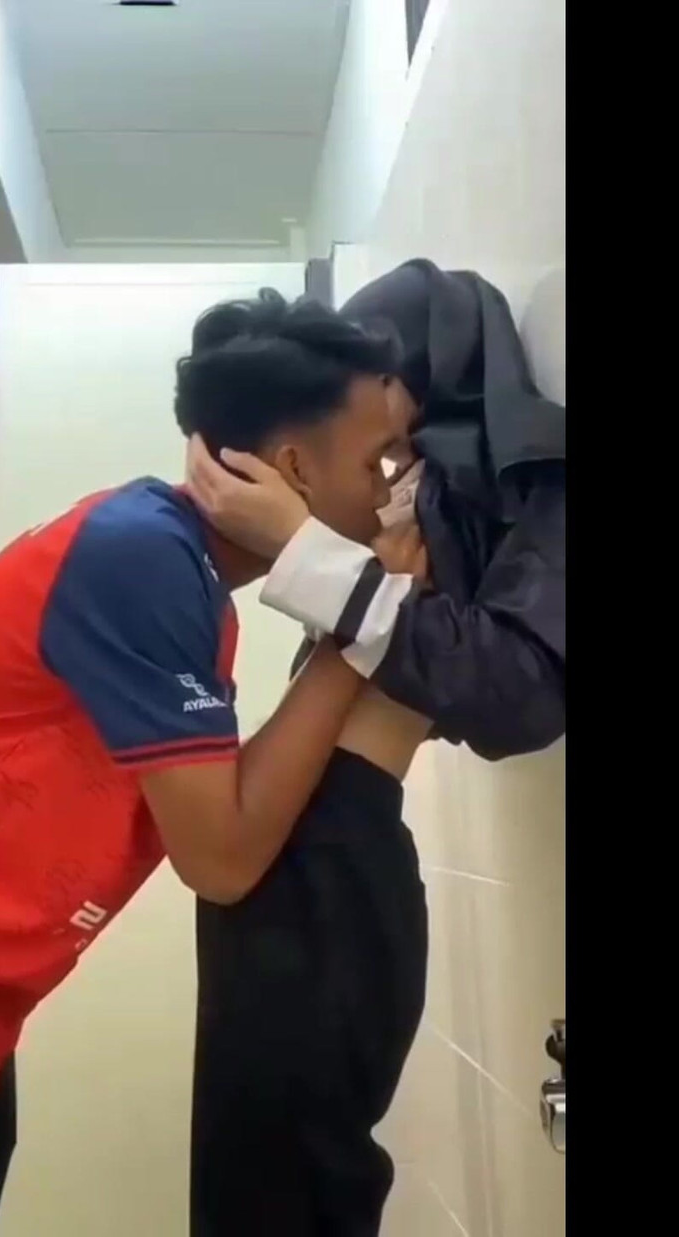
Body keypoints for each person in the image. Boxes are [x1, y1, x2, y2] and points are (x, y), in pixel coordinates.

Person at [0, 289, 422, 1237]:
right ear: (294, 468)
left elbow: (229, 811)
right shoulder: (142, 558)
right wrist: (359, 617)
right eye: (382, 460)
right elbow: (223, 855)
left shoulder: (179, 574)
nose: (395, 488)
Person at [184, 262, 565, 1235]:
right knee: (249, 1170)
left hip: (335, 862)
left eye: (389, 449)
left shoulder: (487, 498)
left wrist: (324, 563)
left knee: (292, 1181)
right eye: (377, 458)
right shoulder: (419, 504)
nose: (382, 475)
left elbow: (514, 692)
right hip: (300, 859)